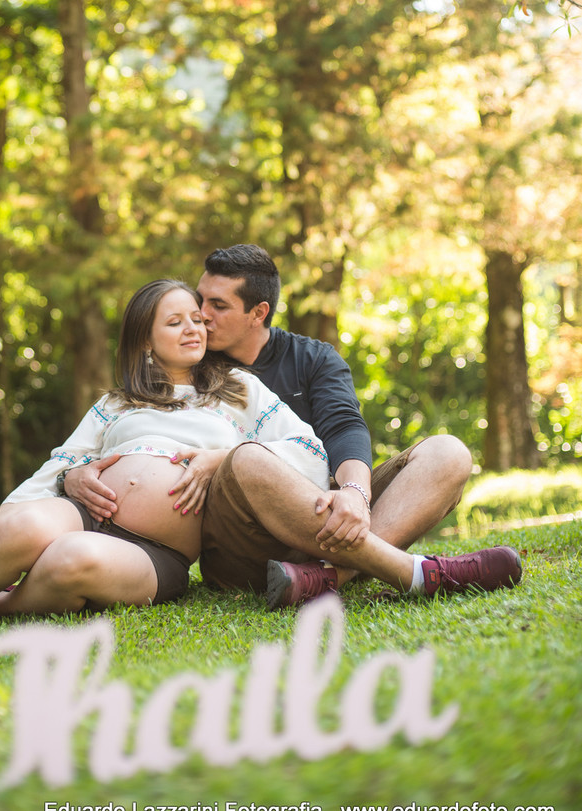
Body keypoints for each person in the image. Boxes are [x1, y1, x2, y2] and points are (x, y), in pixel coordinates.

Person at [0, 280, 330, 633]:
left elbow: (307, 450)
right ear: (145, 339)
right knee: (21, 528)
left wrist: (225, 458)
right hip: (82, 513)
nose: (193, 328)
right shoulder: (116, 403)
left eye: (197, 319)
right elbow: (56, 467)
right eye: (175, 321)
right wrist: (74, 476)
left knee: (69, 560)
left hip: (157, 551)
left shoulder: (239, 390)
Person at [192, 244, 521, 606]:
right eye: (200, 301)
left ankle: (327, 576)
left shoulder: (313, 358)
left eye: (218, 306)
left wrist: (354, 492)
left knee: (449, 453)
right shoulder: (187, 362)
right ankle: (414, 573)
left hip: (325, 520)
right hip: (244, 546)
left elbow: (344, 427)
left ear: (258, 312)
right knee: (248, 458)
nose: (201, 315)